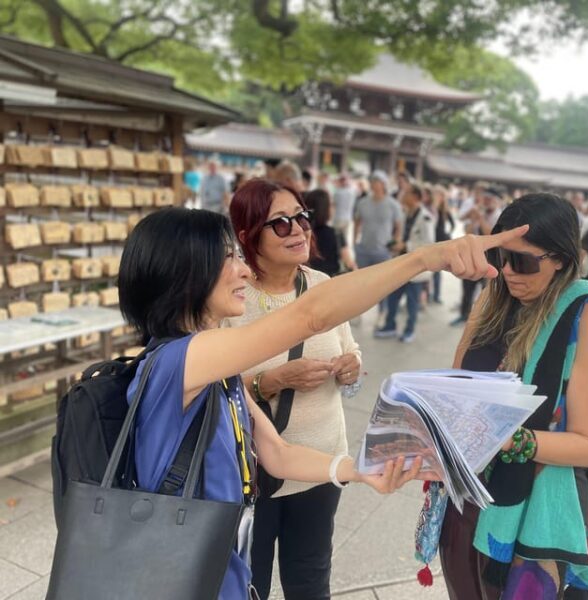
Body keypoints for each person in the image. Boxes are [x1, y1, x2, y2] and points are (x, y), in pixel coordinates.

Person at [118, 203, 528, 600]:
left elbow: (275, 454)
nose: (243, 269)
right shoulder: (178, 362)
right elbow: (310, 316)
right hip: (184, 581)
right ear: (186, 275)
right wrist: (425, 258)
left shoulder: (215, 372)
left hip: (221, 574)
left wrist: (359, 469)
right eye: (227, 258)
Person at [439, 192, 588, 600]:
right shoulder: (492, 301)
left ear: (562, 258)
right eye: (500, 258)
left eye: (523, 261)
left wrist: (512, 439)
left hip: (533, 508)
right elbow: (457, 385)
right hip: (468, 497)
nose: (509, 272)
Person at [225, 180, 361, 599]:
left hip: (320, 463)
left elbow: (351, 352)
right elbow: (214, 386)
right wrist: (275, 380)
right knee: (251, 581)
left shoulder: (323, 286)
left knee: (310, 579)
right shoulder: (232, 298)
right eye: (280, 224)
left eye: (301, 218)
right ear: (249, 235)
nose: (298, 229)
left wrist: (351, 368)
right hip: (253, 472)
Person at [374, 184, 435, 343]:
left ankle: (409, 331)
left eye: (406, 192)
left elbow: (429, 243)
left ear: (415, 197)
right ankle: (390, 326)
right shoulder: (406, 213)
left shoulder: (426, 217)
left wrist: (405, 246)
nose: (402, 194)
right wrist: (397, 244)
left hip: (416, 268)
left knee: (412, 302)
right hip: (403, 264)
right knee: (392, 297)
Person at [451, 188, 504, 327]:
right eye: (485, 199)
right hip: (473, 257)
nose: (486, 202)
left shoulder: (499, 216)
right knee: (467, 286)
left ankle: (482, 321)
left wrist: (480, 219)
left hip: (491, 260)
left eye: (489, 200)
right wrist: (473, 219)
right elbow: (468, 233)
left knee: (486, 292)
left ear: (497, 202)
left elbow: (491, 237)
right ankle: (464, 315)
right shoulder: (480, 213)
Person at [353, 170, 405, 309]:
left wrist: (394, 244)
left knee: (383, 286)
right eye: (372, 181)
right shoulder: (363, 202)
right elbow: (357, 222)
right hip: (364, 248)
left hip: (383, 251)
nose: (374, 184)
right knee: (360, 284)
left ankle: (382, 311)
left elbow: (399, 227)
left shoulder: (393, 204)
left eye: (377, 181)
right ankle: (356, 311)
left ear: (383, 184)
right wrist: (354, 243)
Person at [305, 188, 356, 277]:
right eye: (331, 204)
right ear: (325, 208)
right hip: (332, 282)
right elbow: (349, 263)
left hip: (310, 282)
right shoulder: (336, 233)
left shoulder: (303, 234)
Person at [431, 184, 456, 304]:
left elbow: (453, 224)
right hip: (430, 241)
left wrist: (447, 235)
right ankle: (427, 295)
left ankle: (436, 295)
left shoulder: (445, 210)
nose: (435, 196)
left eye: (438, 194)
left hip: (440, 242)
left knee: (437, 271)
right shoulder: (431, 208)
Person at [332, 174, 357, 242]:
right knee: (345, 239)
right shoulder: (352, 191)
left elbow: (333, 205)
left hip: (338, 217)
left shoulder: (337, 192)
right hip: (348, 218)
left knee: (337, 238)